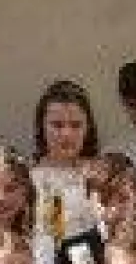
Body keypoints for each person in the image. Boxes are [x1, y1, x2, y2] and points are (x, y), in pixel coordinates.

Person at [30, 80, 103, 248]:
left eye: (76, 125)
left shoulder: (104, 173)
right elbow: (55, 236)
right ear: (42, 127)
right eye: (57, 125)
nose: (67, 134)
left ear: (88, 128)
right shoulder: (29, 181)